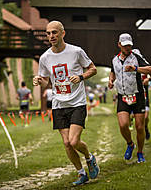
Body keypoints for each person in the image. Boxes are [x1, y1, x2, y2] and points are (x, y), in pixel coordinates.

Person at [33, 21, 99, 185]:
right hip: (58, 105)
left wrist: (81, 77)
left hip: (77, 102)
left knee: (74, 141)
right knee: (66, 143)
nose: (51, 36)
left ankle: (89, 158)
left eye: (54, 32)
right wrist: (38, 80)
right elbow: (47, 83)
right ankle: (81, 173)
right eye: (48, 33)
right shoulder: (45, 58)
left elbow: (93, 69)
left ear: (63, 33)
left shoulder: (76, 51)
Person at [108, 33, 151, 163]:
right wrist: (111, 81)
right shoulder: (115, 60)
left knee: (139, 127)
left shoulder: (136, 57)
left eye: (129, 45)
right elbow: (113, 72)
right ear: (119, 45)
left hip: (137, 96)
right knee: (123, 125)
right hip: (123, 96)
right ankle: (130, 144)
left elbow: (150, 70)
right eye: (125, 45)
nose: (128, 48)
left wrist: (135, 68)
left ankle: (140, 153)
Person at [142, 72, 151, 140]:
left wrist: (148, 79)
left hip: (145, 98)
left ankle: (146, 128)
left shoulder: (143, 66)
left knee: (146, 117)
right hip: (135, 97)